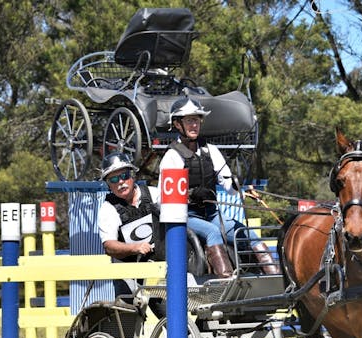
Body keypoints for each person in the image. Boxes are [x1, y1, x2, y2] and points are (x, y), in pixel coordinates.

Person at [159, 95, 279, 277]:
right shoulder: (171, 157)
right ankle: (226, 281)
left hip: (213, 213)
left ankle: (275, 278)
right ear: (177, 124)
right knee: (213, 232)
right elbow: (164, 201)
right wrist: (189, 196)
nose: (195, 125)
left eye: (197, 120)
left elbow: (228, 186)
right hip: (187, 216)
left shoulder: (211, 150)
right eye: (190, 120)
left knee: (247, 234)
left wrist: (239, 186)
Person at [97, 151, 165, 316]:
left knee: (169, 313)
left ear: (132, 176)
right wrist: (135, 247)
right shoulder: (107, 209)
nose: (120, 182)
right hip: (127, 270)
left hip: (158, 265)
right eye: (113, 179)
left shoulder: (155, 194)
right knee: (127, 319)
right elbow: (109, 246)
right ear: (108, 184)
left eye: (124, 176)